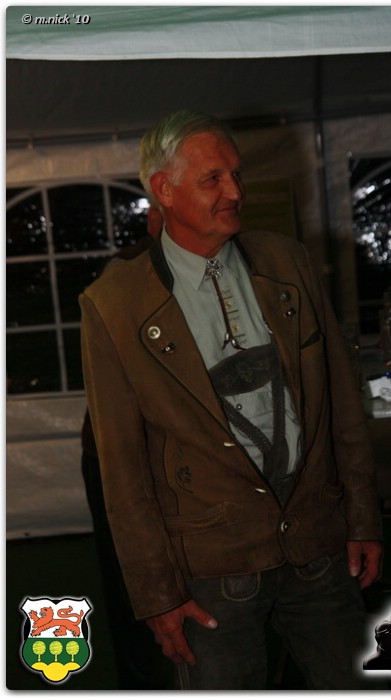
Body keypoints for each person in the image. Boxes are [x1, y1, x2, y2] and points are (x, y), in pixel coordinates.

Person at [80, 110, 383, 690]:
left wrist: (363, 516)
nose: (236, 192)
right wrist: (157, 593)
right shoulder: (113, 304)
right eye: (213, 179)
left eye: (236, 175)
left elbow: (342, 405)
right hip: (211, 568)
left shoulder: (288, 261)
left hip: (318, 543)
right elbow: (122, 470)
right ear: (164, 189)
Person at [80, 205, 173, 690]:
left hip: (174, 451)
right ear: (156, 214)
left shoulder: (225, 265)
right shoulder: (125, 271)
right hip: (118, 451)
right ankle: (142, 684)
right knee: (131, 576)